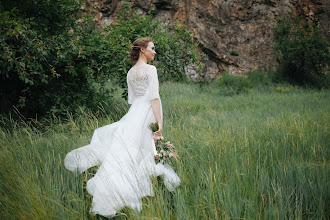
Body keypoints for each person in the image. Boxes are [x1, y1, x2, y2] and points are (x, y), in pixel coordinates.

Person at [64, 38, 180, 218]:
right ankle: (141, 195)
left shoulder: (130, 72)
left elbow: (132, 99)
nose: (155, 52)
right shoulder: (151, 70)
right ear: (142, 50)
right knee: (144, 153)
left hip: (135, 113)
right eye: (152, 48)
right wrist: (159, 124)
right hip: (148, 113)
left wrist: (138, 113)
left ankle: (124, 192)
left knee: (128, 154)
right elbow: (155, 98)